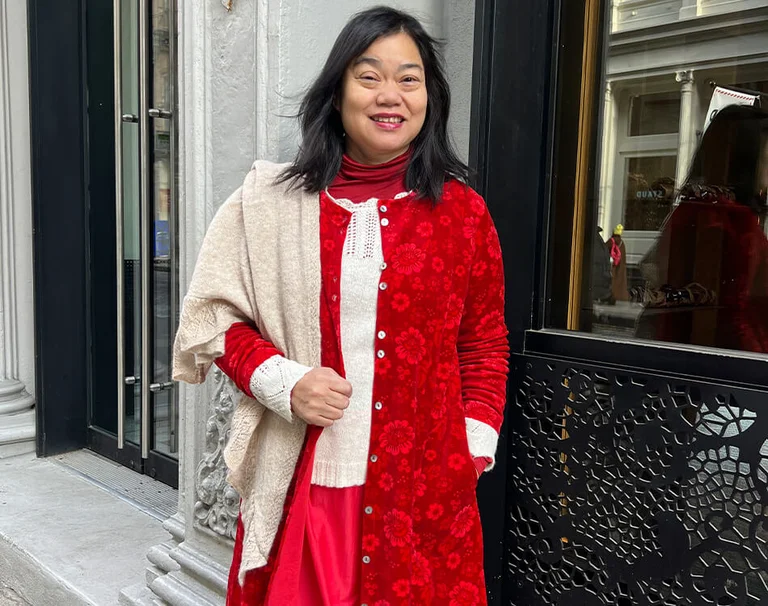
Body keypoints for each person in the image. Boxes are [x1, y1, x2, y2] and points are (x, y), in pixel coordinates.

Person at [172, 6, 509, 606]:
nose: (390, 95)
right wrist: (284, 382)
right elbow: (213, 318)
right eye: (368, 76)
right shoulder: (270, 203)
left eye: (409, 79)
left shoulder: (463, 214)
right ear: (336, 93)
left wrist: (471, 447)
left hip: (421, 494)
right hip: (305, 484)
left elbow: (483, 343)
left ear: (429, 97)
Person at [636, 103, 768, 351]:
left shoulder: (692, 211)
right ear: (746, 162)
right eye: (767, 159)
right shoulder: (731, 221)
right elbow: (733, 317)